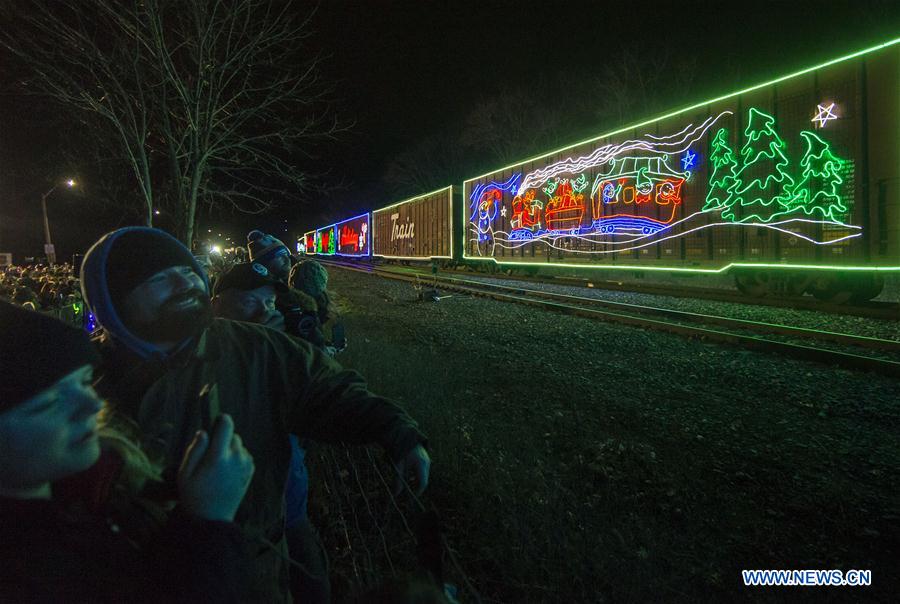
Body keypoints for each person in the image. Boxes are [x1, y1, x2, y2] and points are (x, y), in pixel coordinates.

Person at [80, 227, 431, 603]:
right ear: (113, 301)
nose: (182, 285)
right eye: (160, 279)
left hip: (260, 574)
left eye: (186, 273)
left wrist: (395, 430)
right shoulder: (83, 386)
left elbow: (327, 389)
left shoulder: (256, 348)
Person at [0, 301, 256, 602]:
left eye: (84, 381)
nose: (93, 405)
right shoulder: (22, 573)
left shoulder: (102, 487)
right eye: (49, 403)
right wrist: (209, 524)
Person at [212, 261, 330, 602]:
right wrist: (262, 343)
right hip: (235, 523)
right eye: (251, 301)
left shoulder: (277, 343)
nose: (263, 311)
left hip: (288, 504)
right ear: (218, 302)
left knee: (313, 584)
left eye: (268, 303)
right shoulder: (199, 352)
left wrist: (296, 346)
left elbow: (322, 387)